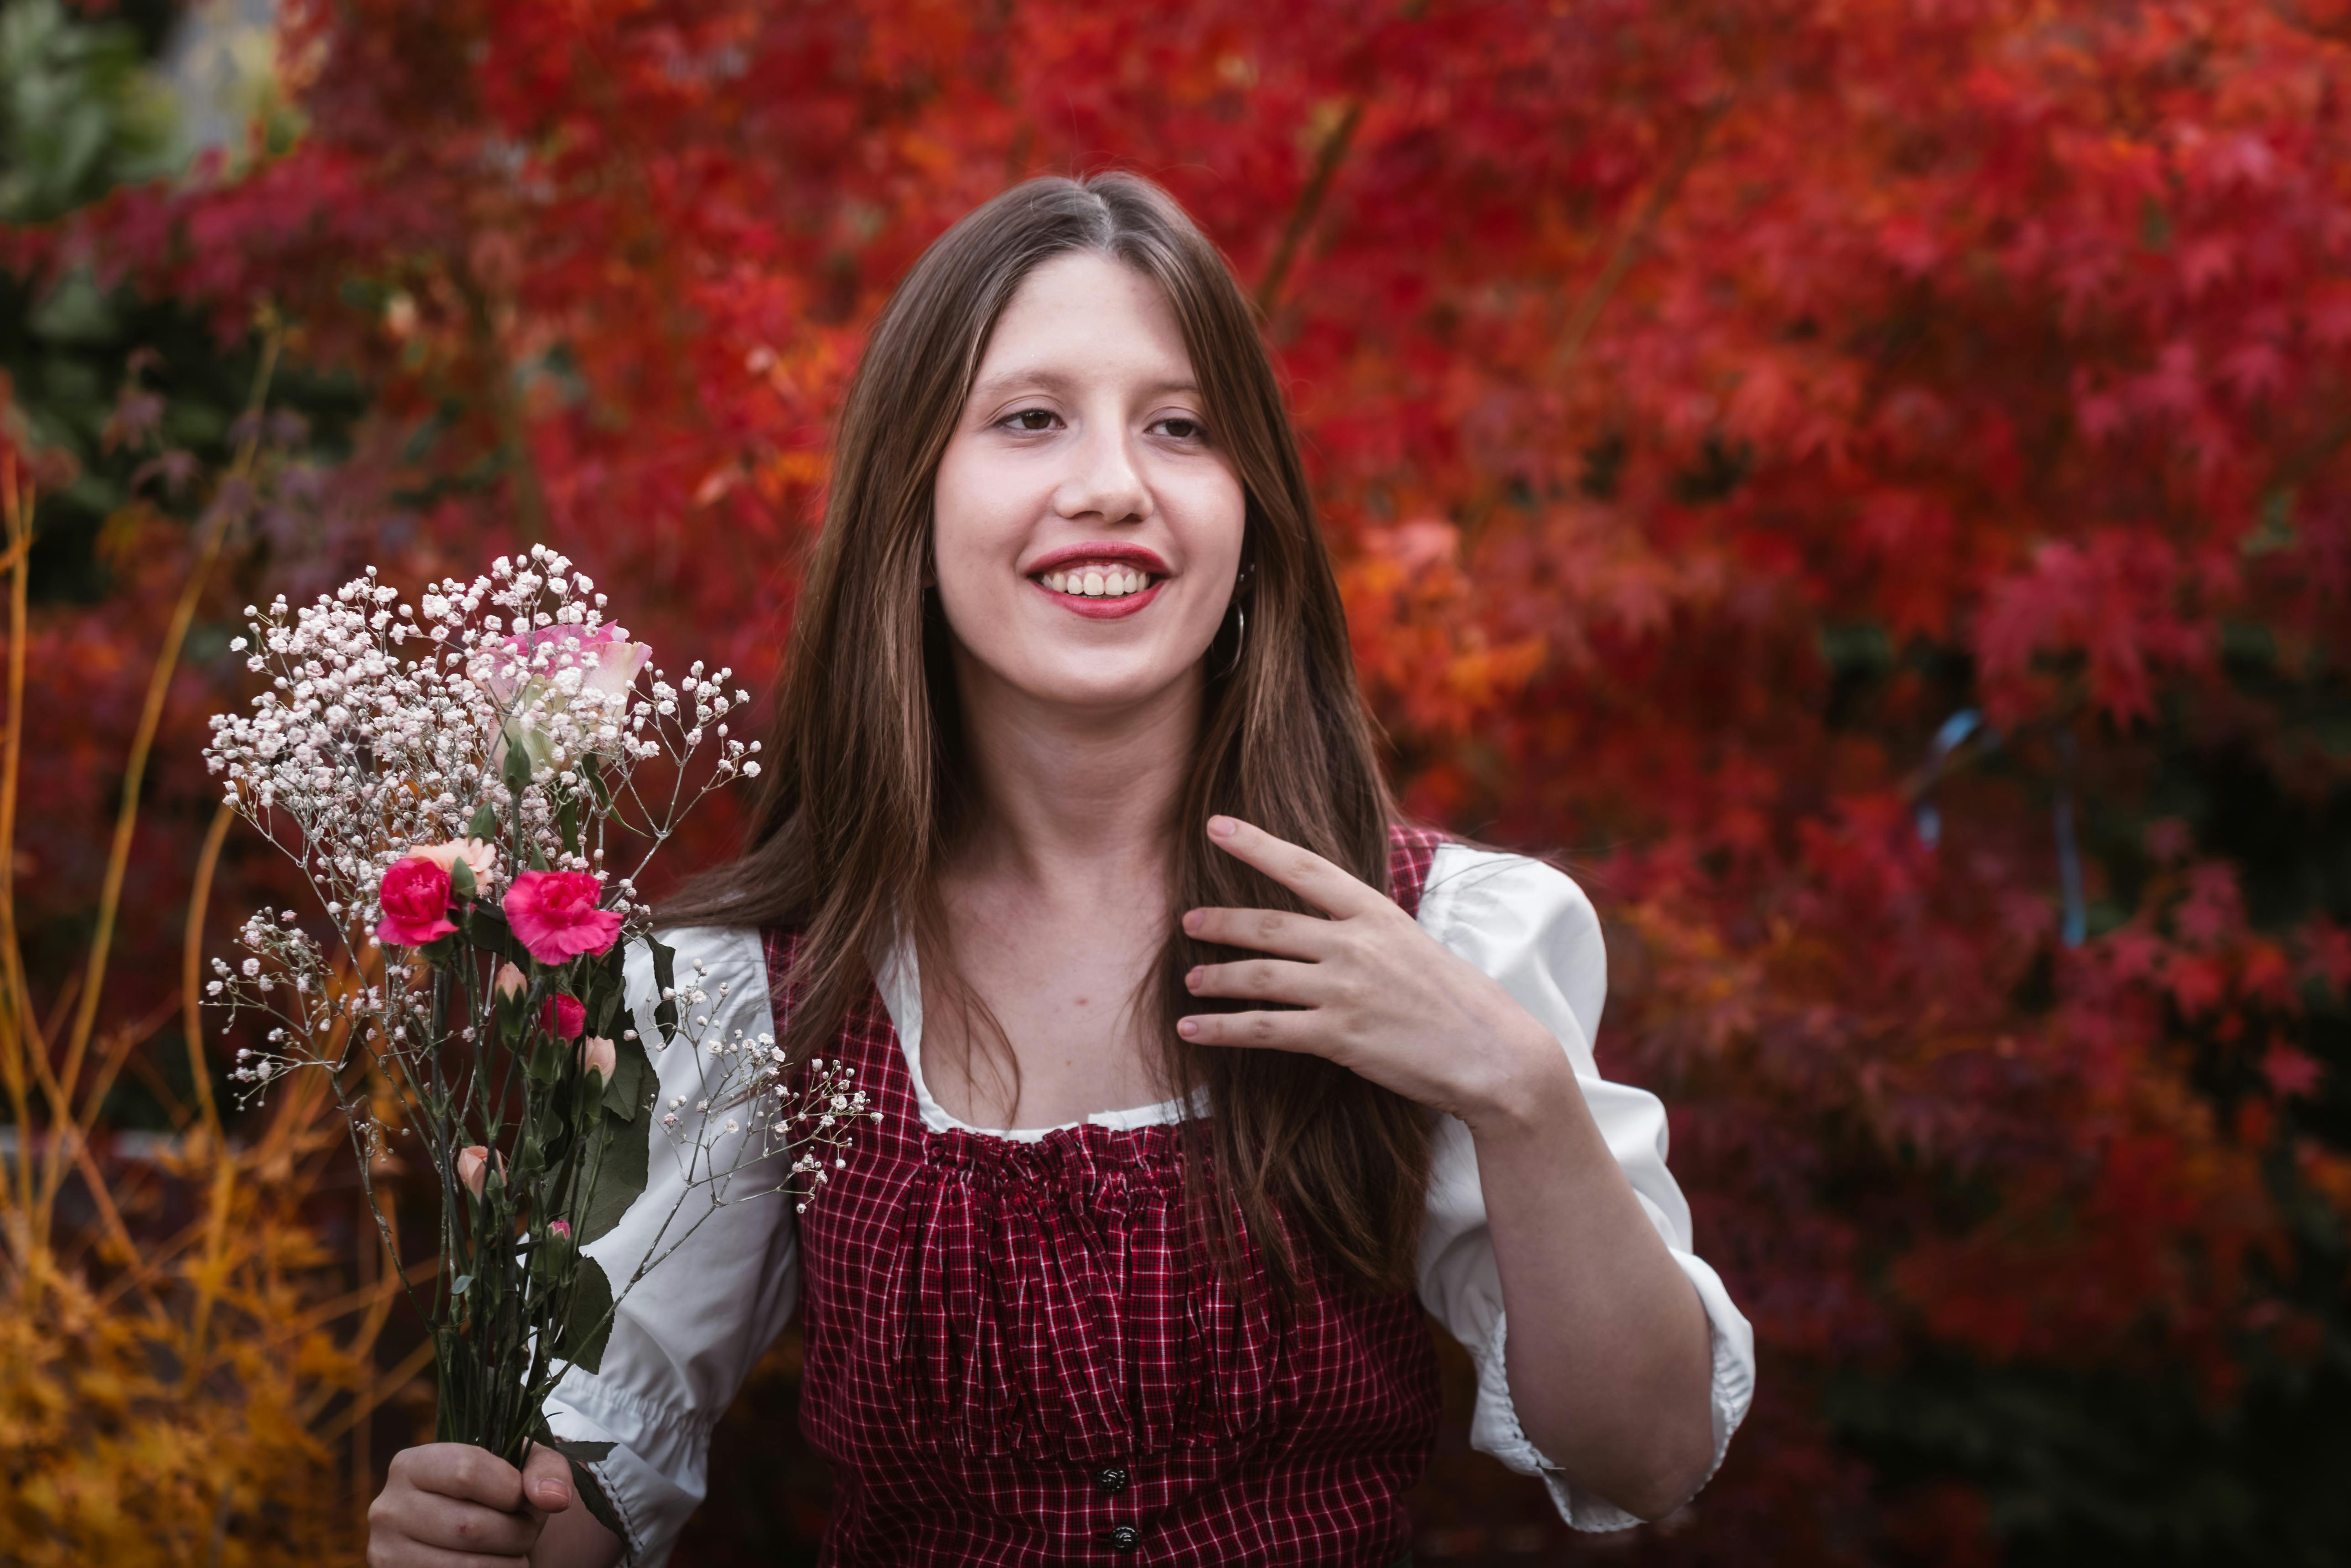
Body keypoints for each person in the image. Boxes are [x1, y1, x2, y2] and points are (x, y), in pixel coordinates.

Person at [364, 172, 1754, 1568]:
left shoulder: (1447, 935)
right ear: (909, 503)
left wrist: (1516, 1096)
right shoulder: (755, 991)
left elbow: (1644, 1461)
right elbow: (588, 1494)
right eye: (1030, 420)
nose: (1110, 485)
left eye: (1181, 427)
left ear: (1252, 513)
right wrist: (471, 1537)